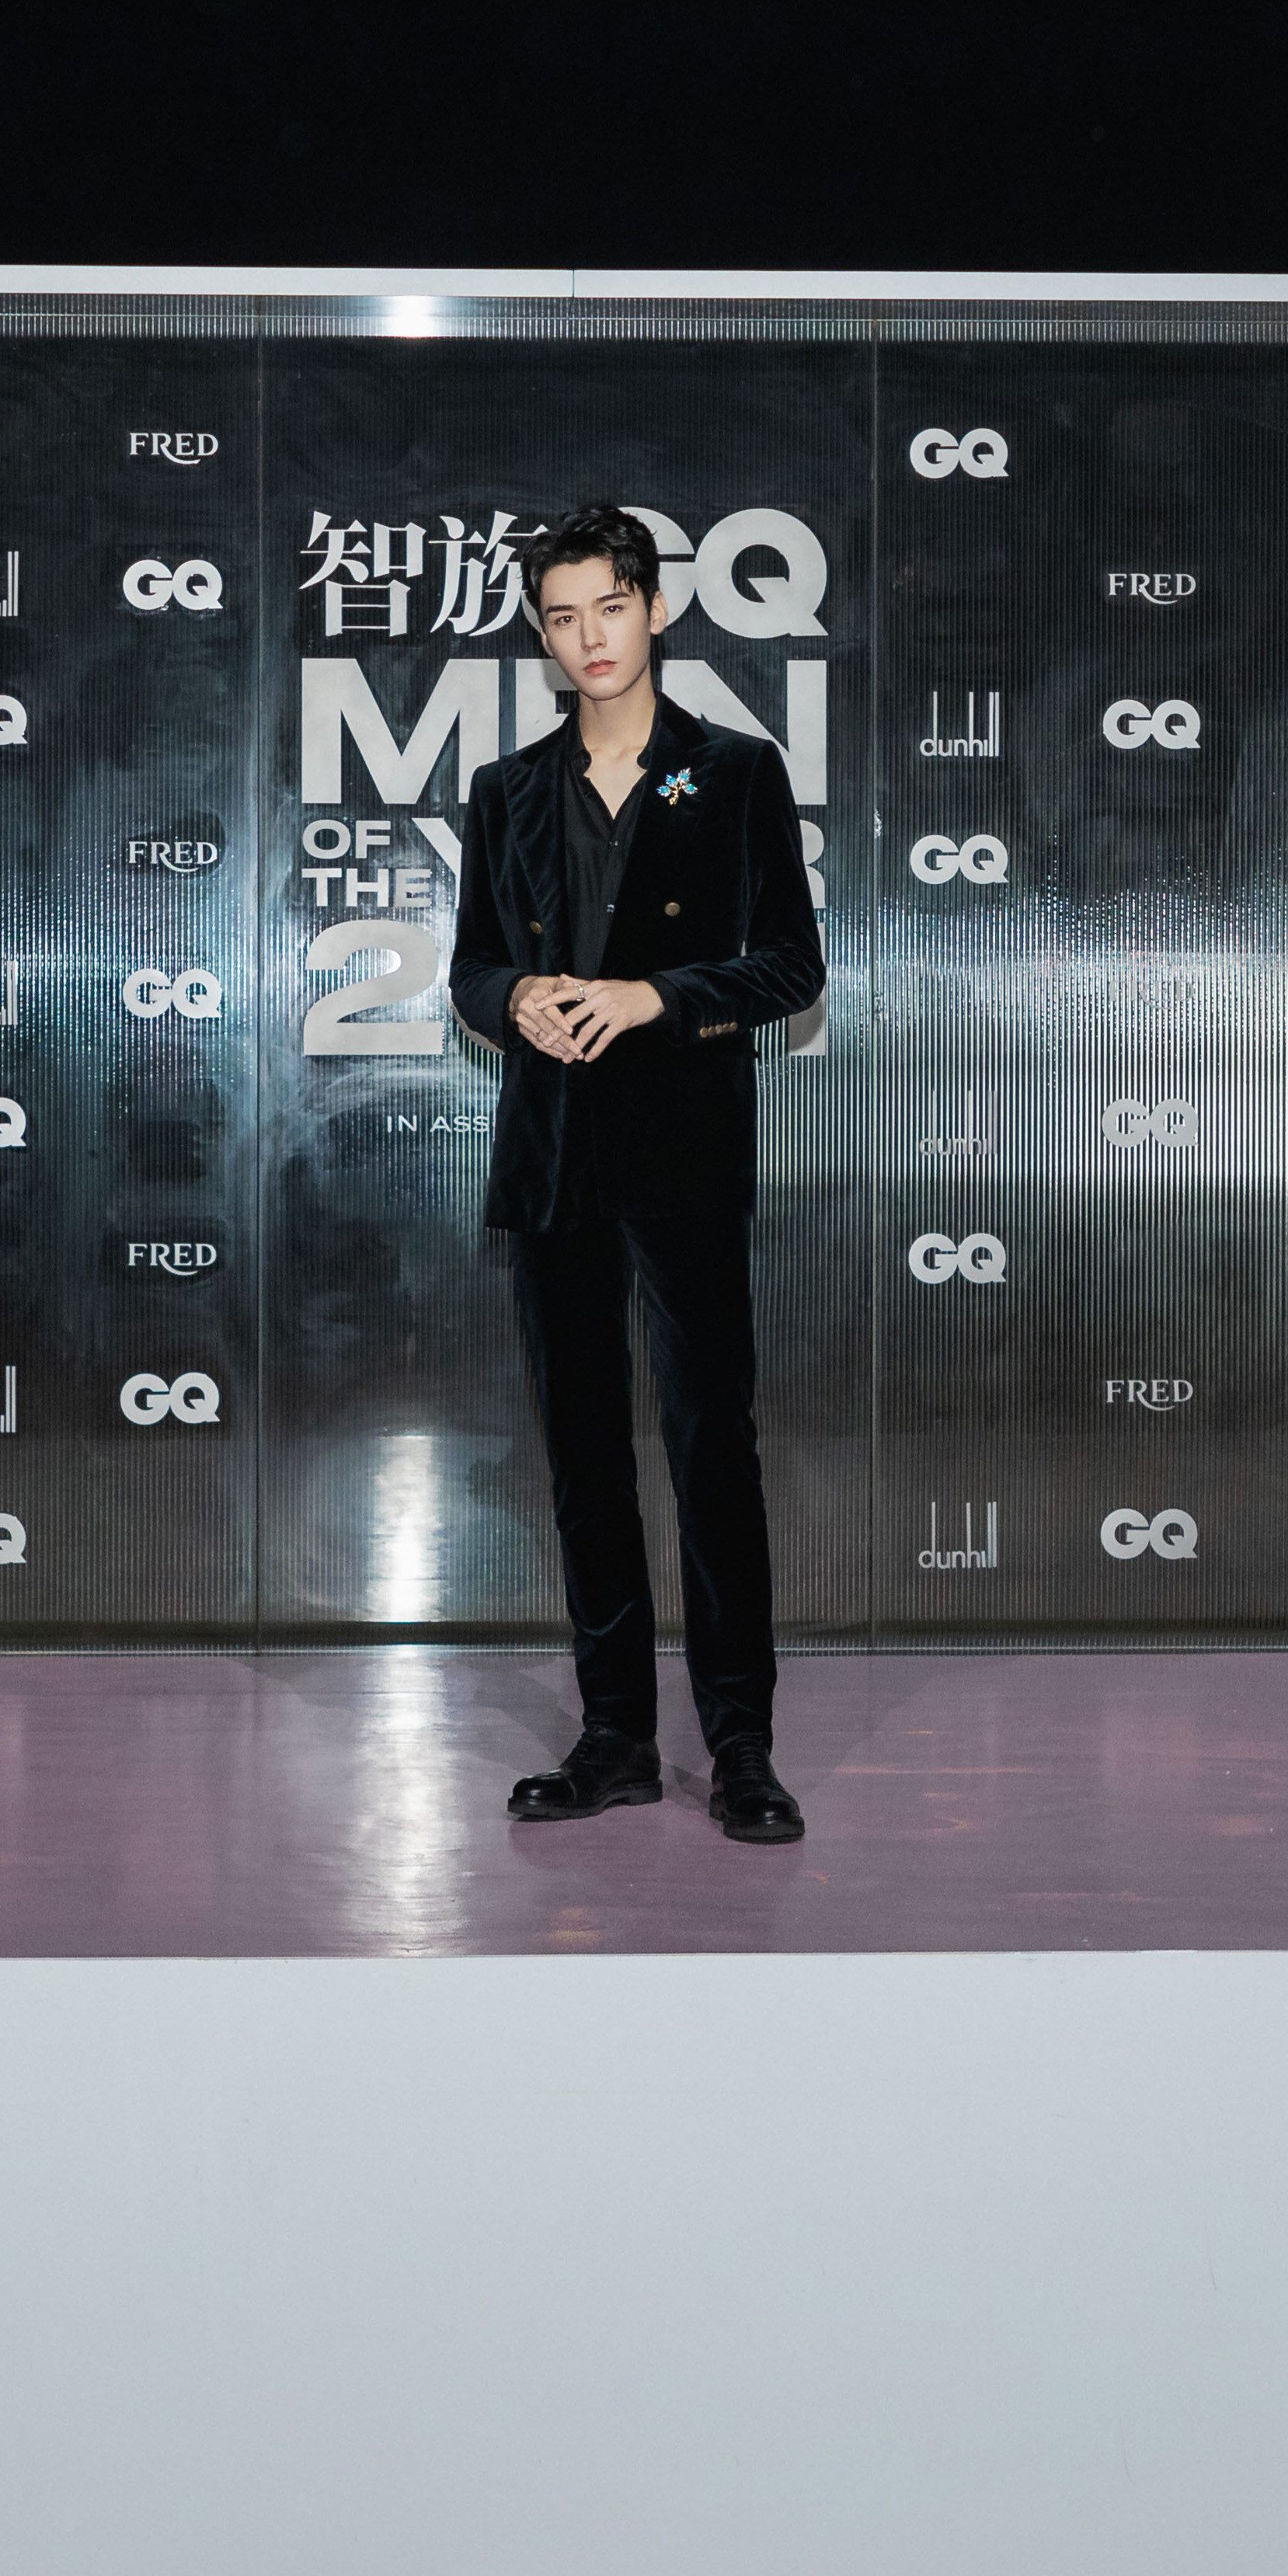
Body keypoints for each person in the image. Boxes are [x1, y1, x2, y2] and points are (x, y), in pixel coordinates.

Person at [446, 505, 829, 1844]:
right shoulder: (505, 790)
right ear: (543, 636)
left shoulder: (735, 771)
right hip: (553, 1159)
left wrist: (654, 997)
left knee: (712, 1447)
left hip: (685, 1154)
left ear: (655, 609)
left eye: (609, 606)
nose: (589, 638)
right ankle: (614, 1736)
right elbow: (471, 968)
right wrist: (516, 999)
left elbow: (792, 968)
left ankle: (740, 1747)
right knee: (584, 1460)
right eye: (562, 617)